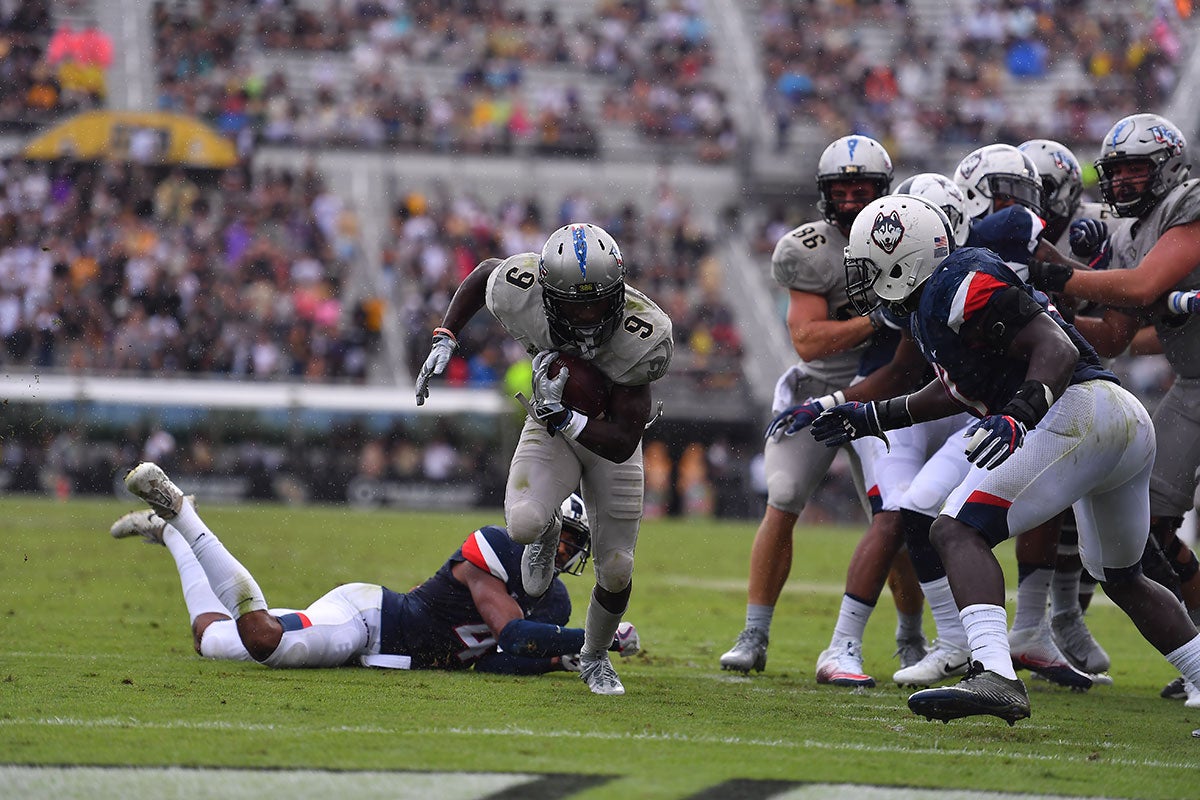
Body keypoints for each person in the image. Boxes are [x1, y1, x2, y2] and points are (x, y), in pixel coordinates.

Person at [810, 193, 1200, 729]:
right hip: (1118, 420)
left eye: (871, 267)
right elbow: (953, 392)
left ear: (901, 260)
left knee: (955, 530)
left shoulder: (957, 282)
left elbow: (1056, 348)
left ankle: (995, 673)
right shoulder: (937, 301)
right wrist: (870, 416)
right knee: (1121, 575)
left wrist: (1020, 412)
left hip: (1078, 410)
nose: (864, 280)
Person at [414, 222, 672, 695]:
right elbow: (484, 273)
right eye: (576, 303)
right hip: (551, 421)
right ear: (548, 295)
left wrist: (565, 415)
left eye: (599, 301)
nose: (591, 314)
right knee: (524, 523)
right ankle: (550, 531)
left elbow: (621, 440)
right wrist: (446, 336)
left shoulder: (644, 333)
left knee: (616, 567)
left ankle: (594, 657)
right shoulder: (522, 289)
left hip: (606, 436)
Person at [721, 134, 928, 687]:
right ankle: (754, 633)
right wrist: (878, 320)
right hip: (821, 393)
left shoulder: (914, 233)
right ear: (824, 194)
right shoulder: (809, 248)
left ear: (885, 190)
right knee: (784, 496)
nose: (855, 198)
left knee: (897, 516)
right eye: (844, 188)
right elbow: (809, 341)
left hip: (884, 398)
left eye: (865, 187)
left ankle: (912, 638)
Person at [114, 462, 640, 673]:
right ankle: (181, 509)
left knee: (209, 640)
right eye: (568, 536)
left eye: (579, 543)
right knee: (262, 641)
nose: (572, 551)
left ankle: (171, 535)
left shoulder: (556, 600)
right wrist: (595, 639)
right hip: (368, 620)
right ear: (546, 528)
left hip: (385, 647)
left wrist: (557, 661)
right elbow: (517, 634)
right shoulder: (496, 549)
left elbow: (498, 661)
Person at [1026, 112, 1200, 700]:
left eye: (1134, 170)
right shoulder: (1126, 234)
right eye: (1116, 172)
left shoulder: (1189, 202)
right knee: (1150, 525)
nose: (1121, 183)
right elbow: (1113, 336)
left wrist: (1060, 274)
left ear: (1170, 165)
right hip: (1194, 381)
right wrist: (1047, 305)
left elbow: (1147, 286)